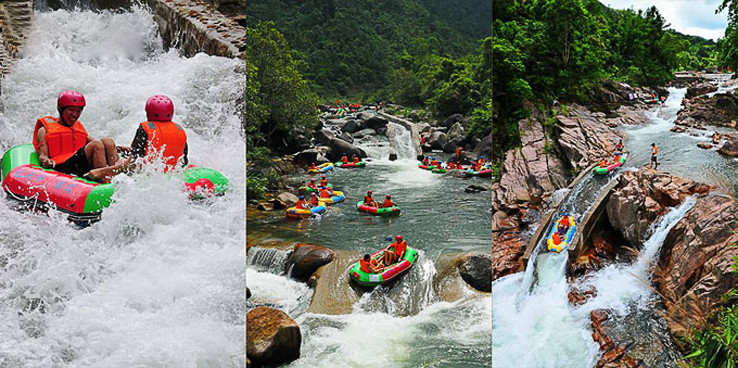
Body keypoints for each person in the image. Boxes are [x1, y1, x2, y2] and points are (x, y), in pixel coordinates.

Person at [33, 90, 126, 183]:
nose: (75, 114)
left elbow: (96, 143)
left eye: (78, 111)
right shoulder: (44, 130)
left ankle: (118, 177)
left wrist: (117, 148)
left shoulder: (77, 127)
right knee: (96, 145)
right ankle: (105, 182)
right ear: (60, 109)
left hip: (79, 163)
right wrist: (46, 161)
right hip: (62, 167)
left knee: (108, 141)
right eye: (71, 110)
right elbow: (43, 156)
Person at [127, 95, 188, 174]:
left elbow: (135, 156)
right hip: (174, 173)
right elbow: (184, 158)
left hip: (149, 173)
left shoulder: (145, 129)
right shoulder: (179, 129)